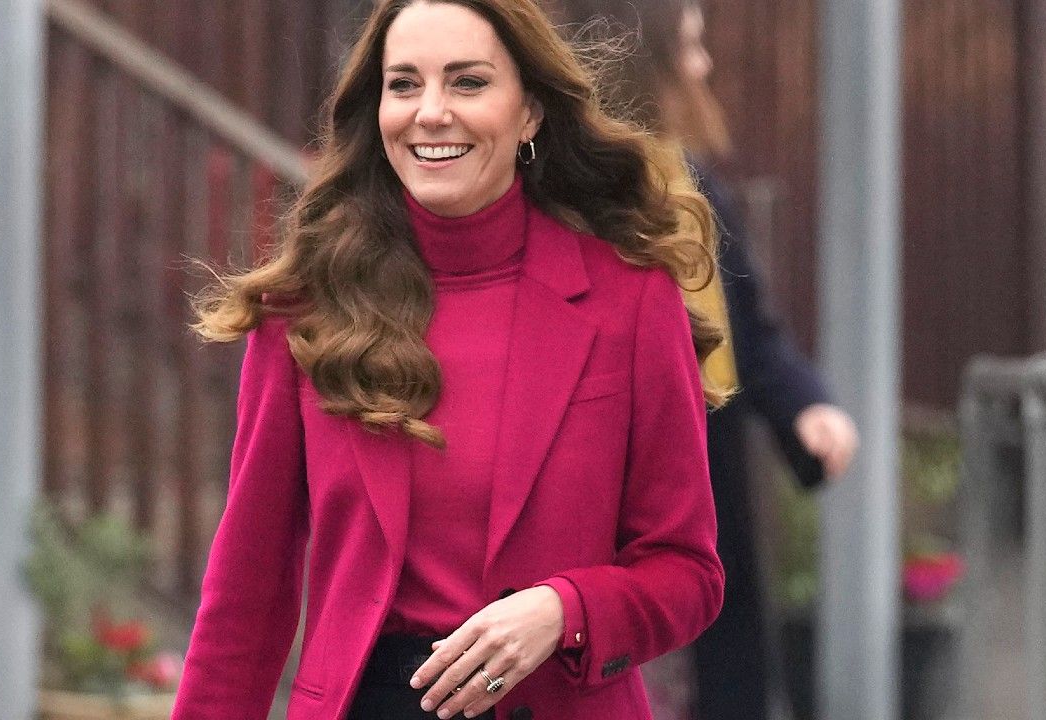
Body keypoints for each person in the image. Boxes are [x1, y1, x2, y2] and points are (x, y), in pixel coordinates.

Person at [172, 1, 731, 718]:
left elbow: (688, 572)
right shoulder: (302, 312)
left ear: (528, 111)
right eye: (404, 85)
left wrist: (564, 610)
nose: (430, 112)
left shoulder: (629, 299)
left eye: (467, 82)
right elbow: (244, 598)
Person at [558, 2, 860, 718]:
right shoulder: (566, 188)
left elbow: (746, 327)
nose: (703, 65)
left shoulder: (690, 181)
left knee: (720, 645)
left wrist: (804, 406)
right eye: (690, 45)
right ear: (644, 61)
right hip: (602, 456)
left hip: (701, 443)